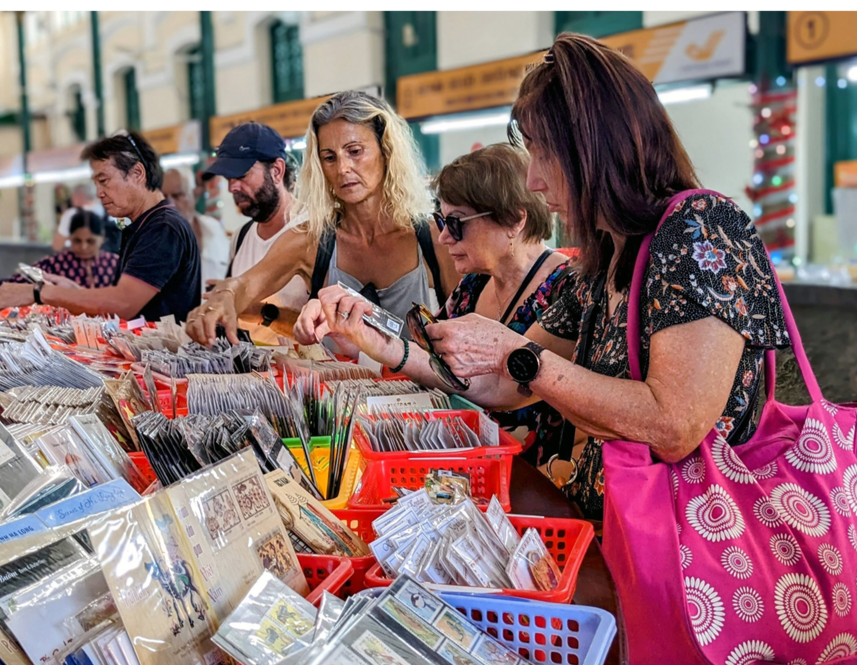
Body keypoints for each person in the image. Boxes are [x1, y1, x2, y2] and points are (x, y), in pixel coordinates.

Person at [318, 34, 789, 525]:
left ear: (595, 149)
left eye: (543, 153)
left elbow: (673, 424)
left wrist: (515, 353)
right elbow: (505, 386)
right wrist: (377, 337)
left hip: (690, 542)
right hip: (620, 528)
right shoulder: (602, 260)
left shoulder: (700, 228)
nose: (534, 181)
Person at [297, 143, 571, 460]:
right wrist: (358, 336)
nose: (443, 238)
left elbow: (500, 388)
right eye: (441, 223)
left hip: (535, 478)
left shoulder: (564, 290)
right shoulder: (474, 284)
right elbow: (426, 356)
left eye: (455, 223)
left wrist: (381, 344)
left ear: (514, 220)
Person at [187, 91, 458, 345]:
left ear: (385, 152)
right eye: (329, 157)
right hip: (335, 396)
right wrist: (223, 299)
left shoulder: (432, 238)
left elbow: (465, 327)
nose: (343, 168)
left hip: (422, 395)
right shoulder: (312, 239)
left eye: (355, 151)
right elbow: (245, 284)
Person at [0, 132, 202, 322]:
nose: (99, 193)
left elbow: (124, 305)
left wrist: (39, 293)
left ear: (137, 174)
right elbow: (133, 305)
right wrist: (76, 292)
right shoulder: (145, 225)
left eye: (104, 180)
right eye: (96, 183)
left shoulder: (162, 228)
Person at [201, 122, 307, 312]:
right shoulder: (240, 238)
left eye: (241, 176)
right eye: (228, 179)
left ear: (276, 171)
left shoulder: (314, 231)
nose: (232, 188)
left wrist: (257, 311)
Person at [0, 210, 119, 299]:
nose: (83, 247)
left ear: (102, 238)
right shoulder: (57, 263)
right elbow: (17, 282)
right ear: (69, 238)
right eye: (77, 241)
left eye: (90, 241)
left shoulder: (116, 264)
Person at [162, 167, 230, 286]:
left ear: (194, 195)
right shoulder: (154, 241)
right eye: (164, 197)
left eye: (177, 195)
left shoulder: (213, 228)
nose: (170, 204)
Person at [52, 183, 107, 252]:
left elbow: (57, 245)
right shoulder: (107, 211)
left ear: (77, 196)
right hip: (106, 258)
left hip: (81, 257)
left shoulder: (71, 214)